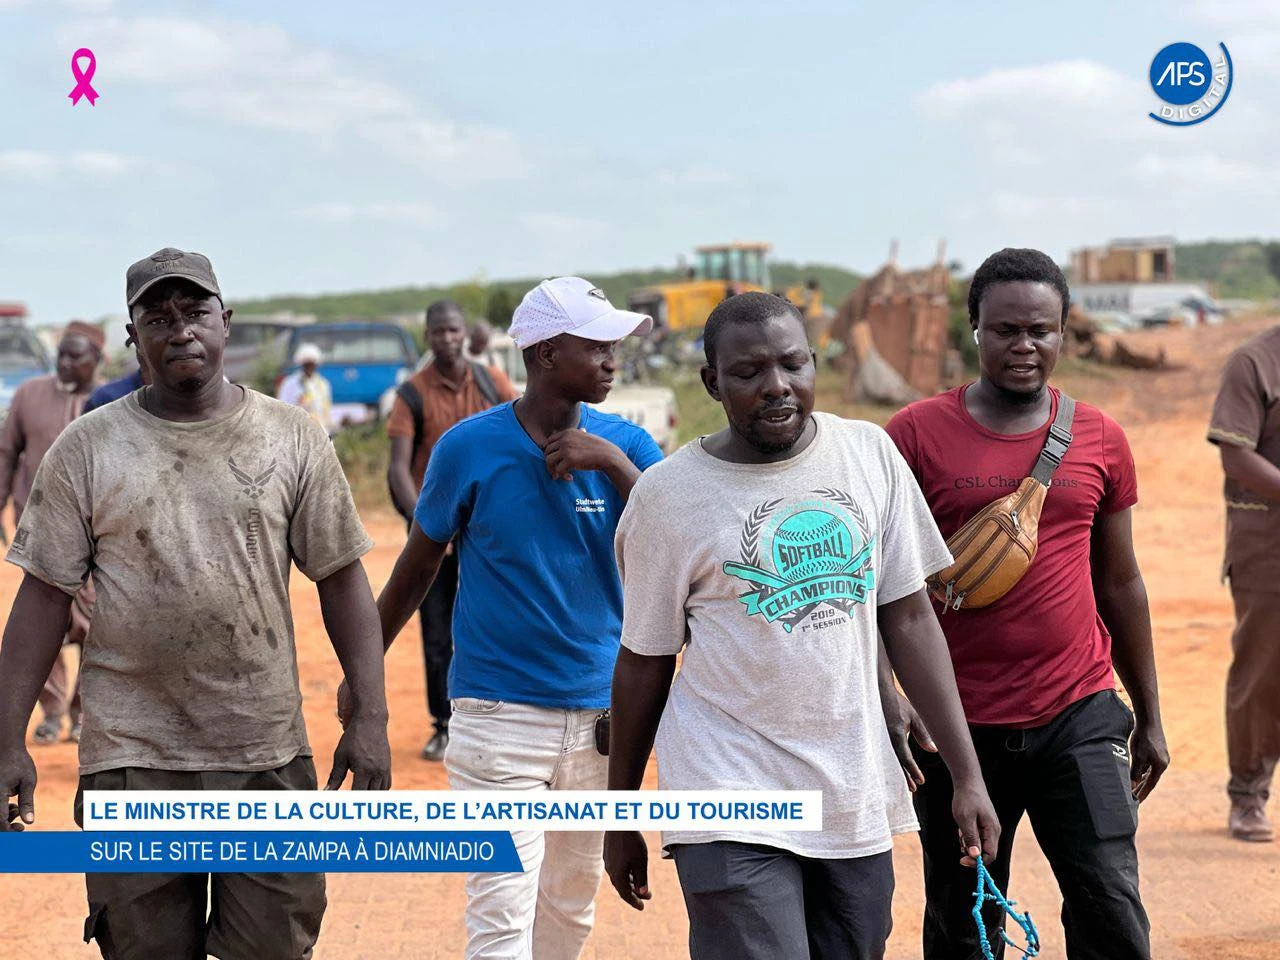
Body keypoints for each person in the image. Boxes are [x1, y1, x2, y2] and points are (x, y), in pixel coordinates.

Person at [0, 247, 391, 960]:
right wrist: (6, 736)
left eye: (195, 311)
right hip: (133, 757)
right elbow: (44, 597)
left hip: (264, 752)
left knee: (273, 948)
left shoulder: (292, 437)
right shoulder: (86, 448)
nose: (180, 329)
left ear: (225, 323)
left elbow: (341, 579)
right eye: (159, 316)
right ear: (134, 337)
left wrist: (371, 713)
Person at [605, 292, 999, 960]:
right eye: (749, 372)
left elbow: (907, 616)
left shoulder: (868, 454)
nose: (776, 386)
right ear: (712, 383)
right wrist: (621, 816)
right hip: (724, 786)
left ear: (816, 364)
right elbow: (644, 660)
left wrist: (968, 775)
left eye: (793, 364)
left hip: (849, 789)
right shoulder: (668, 498)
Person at [360, 277, 661, 959]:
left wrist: (610, 465)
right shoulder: (469, 448)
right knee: (500, 919)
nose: (614, 359)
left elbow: (676, 542)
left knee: (568, 911)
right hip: (498, 721)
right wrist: (363, 669)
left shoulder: (629, 445)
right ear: (547, 353)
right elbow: (419, 563)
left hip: (601, 724)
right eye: (599, 345)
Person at [885, 248, 1168, 958]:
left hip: (1077, 713)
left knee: (1111, 909)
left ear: (1064, 331)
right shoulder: (914, 436)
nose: (1023, 346)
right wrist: (893, 695)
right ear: (974, 329)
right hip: (954, 728)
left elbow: (1121, 583)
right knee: (966, 923)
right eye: (1004, 329)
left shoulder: (1100, 437)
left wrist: (1152, 716)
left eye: (1040, 330)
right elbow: (877, 585)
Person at [385, 300, 518, 761]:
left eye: (453, 330)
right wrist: (428, 527)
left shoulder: (492, 382)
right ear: (427, 337)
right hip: (437, 538)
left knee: (498, 622)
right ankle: (442, 725)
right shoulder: (411, 395)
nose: (447, 339)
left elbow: (522, 441)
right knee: (437, 633)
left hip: (489, 534)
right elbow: (399, 471)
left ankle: (502, 720)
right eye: (438, 331)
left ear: (464, 333)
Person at [0, 320, 103, 745]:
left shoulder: (113, 401)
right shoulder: (29, 395)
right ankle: (52, 709)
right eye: (61, 353)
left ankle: (83, 713)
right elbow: (7, 451)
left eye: (76, 356)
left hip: (99, 535)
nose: (65, 362)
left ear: (97, 361)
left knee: (98, 624)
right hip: (40, 531)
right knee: (46, 624)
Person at [1208, 324, 1280, 842]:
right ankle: (1248, 795)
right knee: (1262, 674)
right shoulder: (1255, 362)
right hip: (1269, 548)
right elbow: (1236, 454)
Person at [277, 342, 333, 433]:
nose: (309, 368)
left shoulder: (323, 384)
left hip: (321, 430)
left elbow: (327, 408)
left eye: (312, 364)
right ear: (302, 365)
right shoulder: (290, 383)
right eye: (307, 365)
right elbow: (282, 407)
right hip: (297, 431)